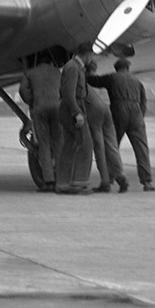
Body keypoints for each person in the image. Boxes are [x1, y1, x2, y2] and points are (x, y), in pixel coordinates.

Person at [88, 57, 154, 190]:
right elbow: (143, 103)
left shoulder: (112, 77)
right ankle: (147, 182)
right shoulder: (137, 81)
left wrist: (89, 70)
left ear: (116, 68)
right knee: (141, 148)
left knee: (111, 145)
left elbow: (94, 81)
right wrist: (139, 116)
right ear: (128, 68)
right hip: (136, 113)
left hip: (119, 110)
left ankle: (109, 179)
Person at [18, 54, 62, 193]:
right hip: (57, 107)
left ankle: (48, 181)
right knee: (58, 142)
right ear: (50, 61)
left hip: (40, 108)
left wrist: (32, 101)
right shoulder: (57, 72)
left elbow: (23, 90)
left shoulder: (31, 72)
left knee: (44, 144)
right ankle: (61, 179)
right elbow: (65, 89)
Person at [84, 59, 128, 193]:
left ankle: (105, 182)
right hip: (105, 108)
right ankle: (120, 176)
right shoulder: (83, 77)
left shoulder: (74, 76)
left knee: (99, 147)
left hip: (94, 111)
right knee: (111, 145)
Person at [55, 44, 94, 195]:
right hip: (72, 107)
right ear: (88, 54)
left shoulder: (76, 67)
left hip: (72, 107)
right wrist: (77, 113)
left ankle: (63, 184)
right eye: (92, 55)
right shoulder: (73, 67)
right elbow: (68, 93)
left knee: (69, 147)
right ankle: (78, 183)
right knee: (85, 143)